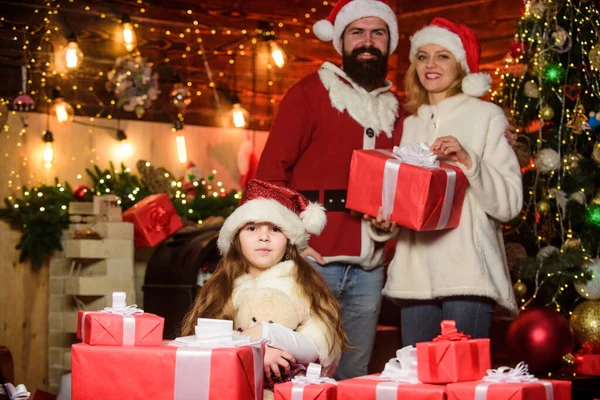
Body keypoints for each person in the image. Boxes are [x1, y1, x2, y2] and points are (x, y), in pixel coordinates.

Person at [255, 0, 404, 379]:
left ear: (390, 42)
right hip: (313, 262)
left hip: (370, 268)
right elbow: (270, 175)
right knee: (300, 374)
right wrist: (292, 243)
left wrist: (387, 231)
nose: (367, 41)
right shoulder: (309, 93)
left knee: (353, 374)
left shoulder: (398, 111)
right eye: (357, 32)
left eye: (378, 32)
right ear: (340, 41)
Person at [368, 18, 523, 346]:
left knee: (463, 386)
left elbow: (509, 203)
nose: (430, 64)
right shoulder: (410, 124)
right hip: (415, 280)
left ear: (462, 66)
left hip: (468, 276)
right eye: (422, 56)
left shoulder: (487, 117)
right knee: (418, 388)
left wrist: (468, 160)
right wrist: (385, 223)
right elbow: (410, 203)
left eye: (443, 56)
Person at [181, 179, 346, 383]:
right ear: (236, 237)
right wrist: (258, 350)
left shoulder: (302, 283)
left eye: (275, 229)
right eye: (252, 228)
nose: (264, 237)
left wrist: (267, 332)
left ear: (289, 240)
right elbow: (202, 344)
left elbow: (318, 346)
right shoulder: (223, 287)